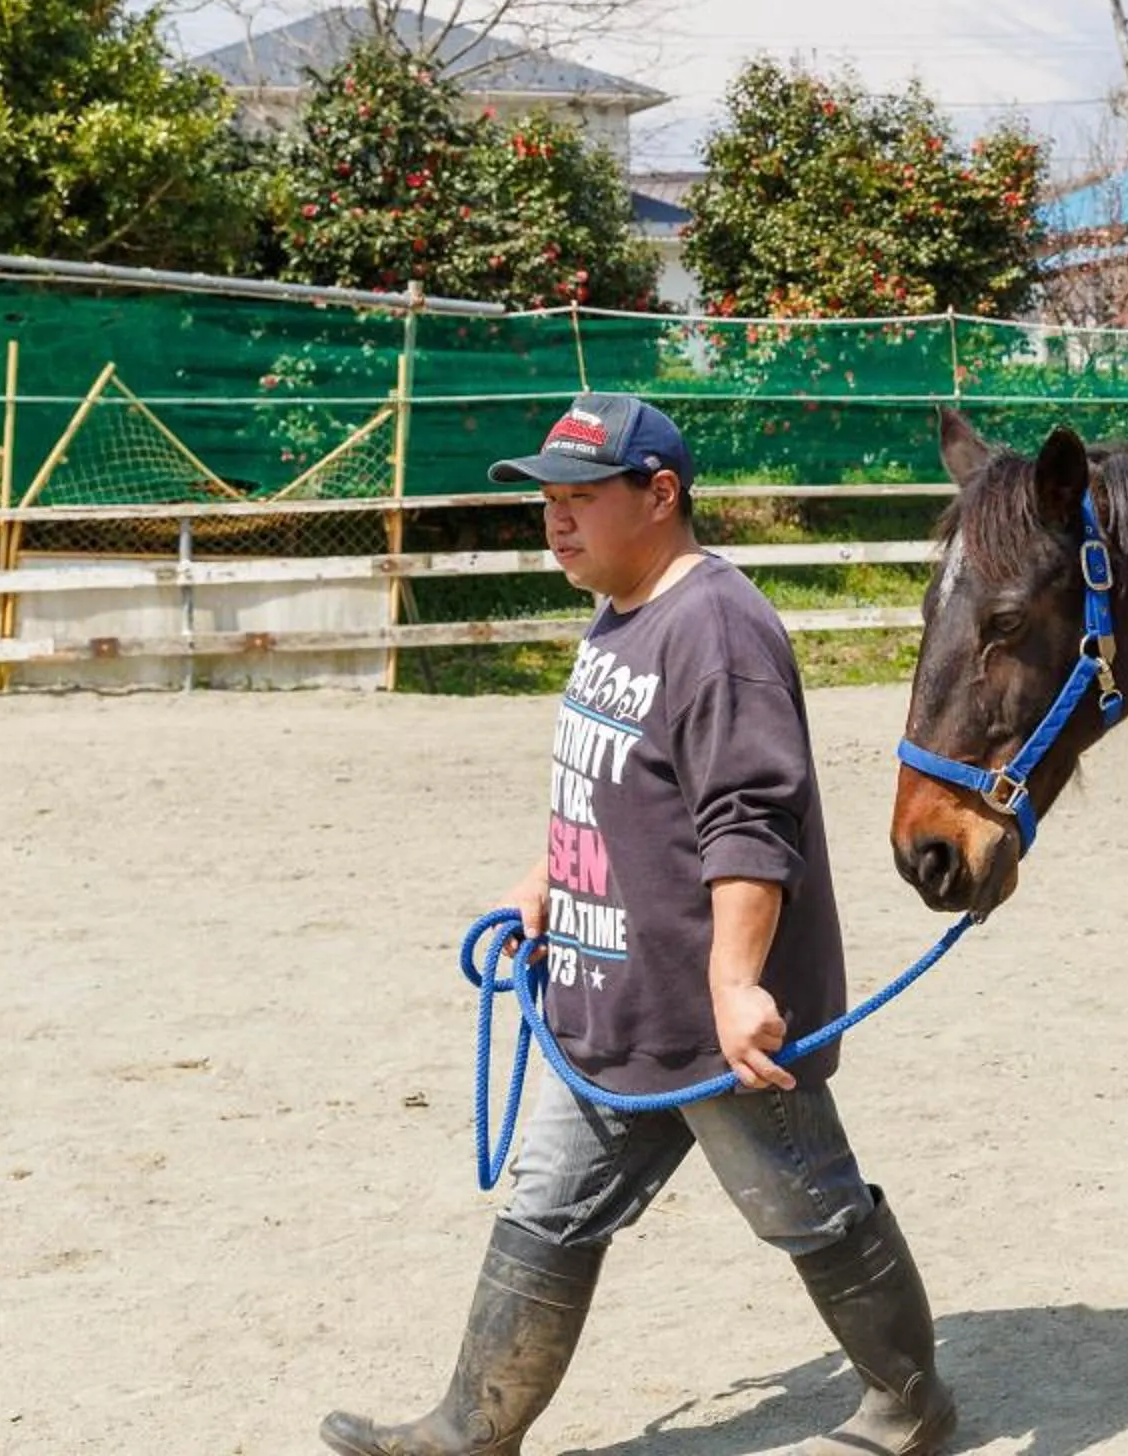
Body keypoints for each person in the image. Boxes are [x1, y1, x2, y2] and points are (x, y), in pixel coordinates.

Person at [320, 393, 956, 1456]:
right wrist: (546, 881)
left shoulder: (717, 629)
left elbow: (748, 819)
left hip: (711, 1026)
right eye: (547, 500)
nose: (555, 519)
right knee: (547, 1205)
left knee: (811, 1208)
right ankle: (471, 1429)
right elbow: (616, 786)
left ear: (660, 495)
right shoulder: (622, 612)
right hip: (609, 1003)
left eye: (580, 496)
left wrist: (736, 984)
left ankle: (911, 1403)